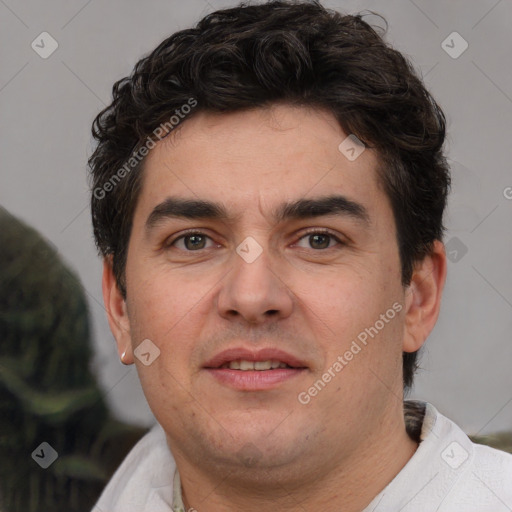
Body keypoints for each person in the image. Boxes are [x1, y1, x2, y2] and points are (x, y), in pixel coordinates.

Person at [88, 1, 512, 510]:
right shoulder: (134, 489)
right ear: (119, 306)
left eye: (318, 239)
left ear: (417, 297)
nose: (251, 296)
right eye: (194, 241)